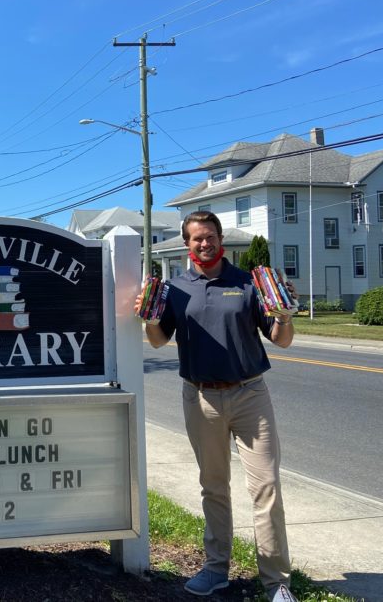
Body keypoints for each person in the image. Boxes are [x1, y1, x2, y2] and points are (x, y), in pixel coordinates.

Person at [135, 211, 297, 602]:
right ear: (186, 244)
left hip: (249, 395)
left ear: (220, 239)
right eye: (197, 238)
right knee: (213, 487)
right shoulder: (174, 289)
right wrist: (148, 315)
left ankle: (276, 583)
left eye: (210, 236)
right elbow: (157, 340)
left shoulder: (248, 283)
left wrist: (285, 314)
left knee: (266, 488)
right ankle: (216, 569)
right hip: (201, 398)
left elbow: (281, 339)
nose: (204, 244)